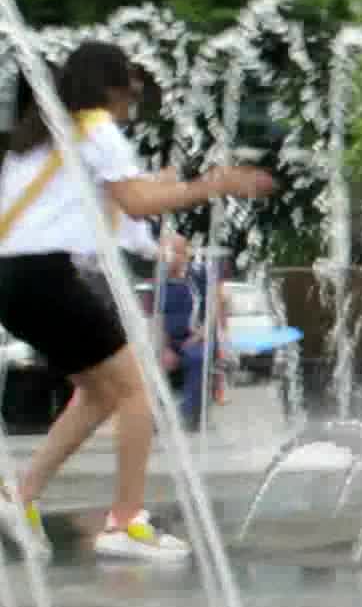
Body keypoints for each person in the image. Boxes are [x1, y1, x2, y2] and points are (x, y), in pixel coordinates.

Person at [0, 42, 275, 560]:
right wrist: (216, 184)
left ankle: (20, 494)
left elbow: (103, 210)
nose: (137, 92)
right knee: (138, 390)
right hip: (44, 278)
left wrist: (156, 245)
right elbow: (137, 201)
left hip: (14, 282)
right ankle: (125, 522)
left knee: (100, 392)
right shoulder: (96, 127)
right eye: (131, 82)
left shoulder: (41, 137)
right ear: (109, 85)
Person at [152, 234, 229, 432]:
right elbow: (158, 318)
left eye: (175, 251)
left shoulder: (198, 276)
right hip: (171, 341)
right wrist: (165, 348)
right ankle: (152, 416)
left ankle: (189, 415)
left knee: (196, 357)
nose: (170, 256)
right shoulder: (160, 283)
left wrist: (198, 336)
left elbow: (214, 308)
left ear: (185, 254)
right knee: (148, 359)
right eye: (166, 252)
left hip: (198, 337)